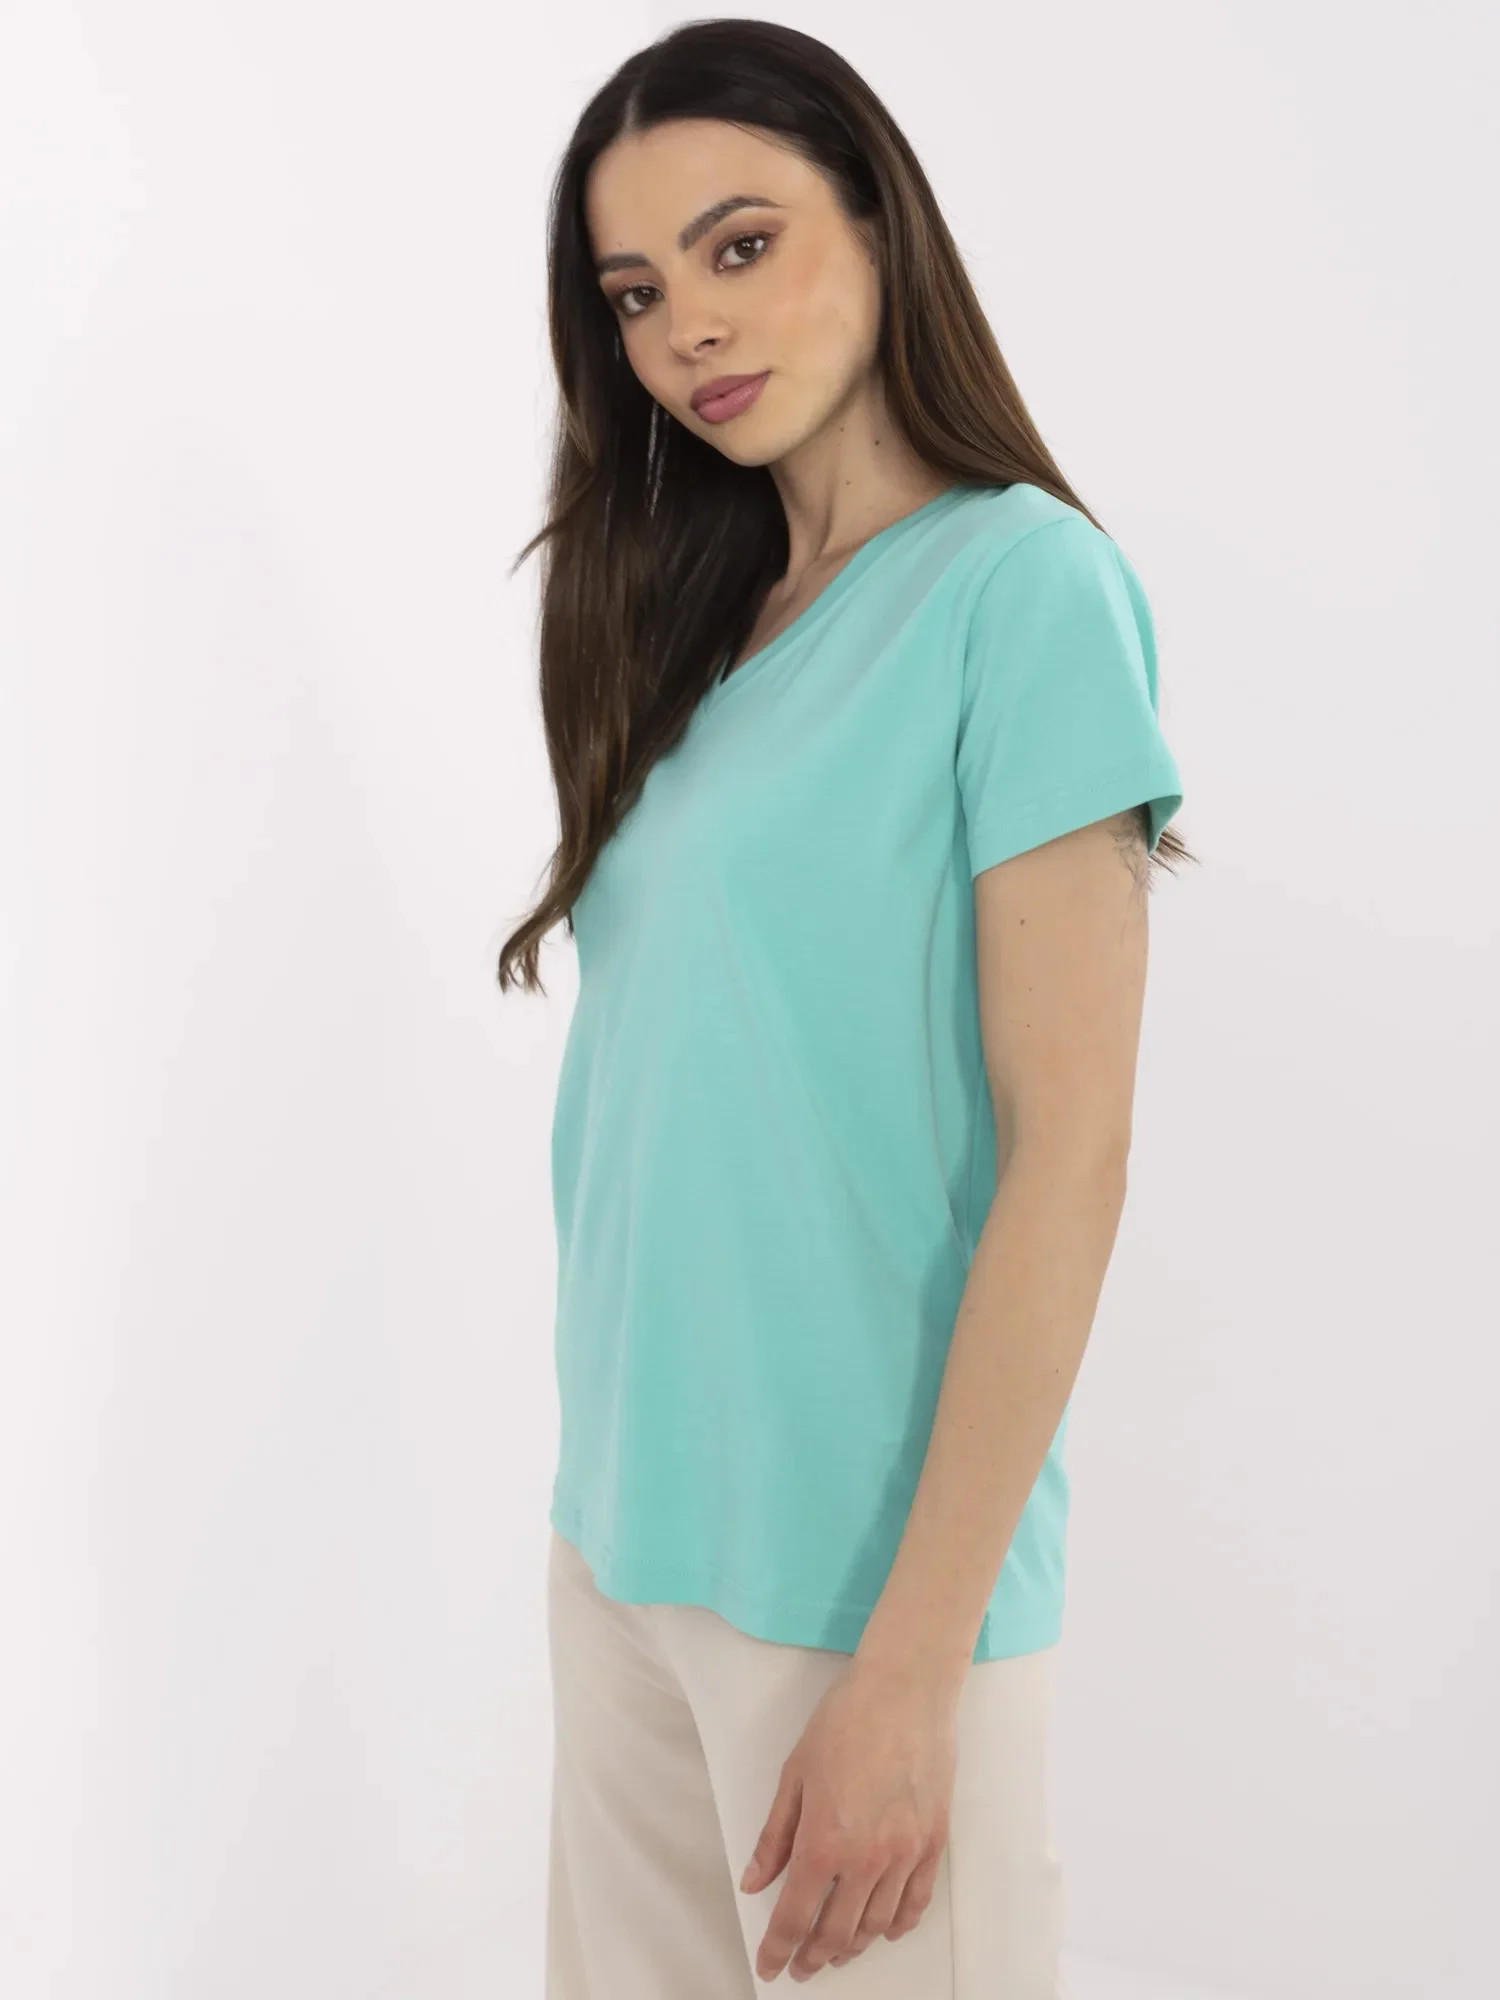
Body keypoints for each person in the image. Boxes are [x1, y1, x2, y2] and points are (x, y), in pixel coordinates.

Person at [498, 19, 1194, 1995]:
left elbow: (1072, 1152)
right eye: (637, 292)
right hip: (626, 1541)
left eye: (743, 245)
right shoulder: (701, 622)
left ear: (882, 225)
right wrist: (596, 1532)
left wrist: (913, 1669)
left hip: (869, 1593)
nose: (689, 330)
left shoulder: (1023, 591)